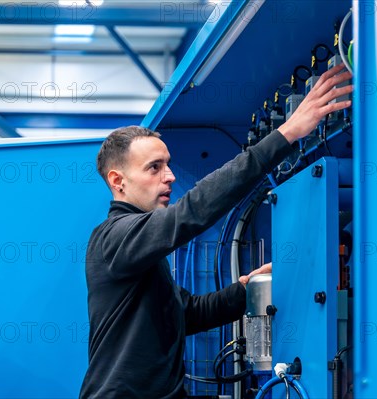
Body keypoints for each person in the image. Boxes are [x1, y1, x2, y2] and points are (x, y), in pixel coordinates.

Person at [79, 64, 353, 398]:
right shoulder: (115, 238)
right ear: (117, 181)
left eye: (167, 165)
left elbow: (188, 314)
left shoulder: (138, 251)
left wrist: (245, 288)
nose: (169, 176)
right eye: (154, 168)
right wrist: (287, 133)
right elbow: (193, 210)